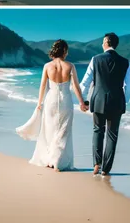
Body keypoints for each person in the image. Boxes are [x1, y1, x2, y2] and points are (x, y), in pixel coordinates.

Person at [16, 40, 88, 172]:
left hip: (51, 100)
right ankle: (57, 161)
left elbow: (43, 86)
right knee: (63, 131)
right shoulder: (70, 66)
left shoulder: (47, 66)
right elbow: (76, 86)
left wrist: (39, 103)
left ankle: (50, 160)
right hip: (65, 100)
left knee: (50, 130)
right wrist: (82, 102)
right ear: (65, 51)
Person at [80, 32, 130, 176]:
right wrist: (124, 100)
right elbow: (129, 85)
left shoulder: (95, 59)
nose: (102, 43)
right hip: (117, 101)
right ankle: (106, 169)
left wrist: (83, 100)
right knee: (112, 135)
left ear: (107, 42)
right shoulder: (125, 62)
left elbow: (85, 82)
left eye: (103, 41)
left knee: (98, 130)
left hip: (98, 101)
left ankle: (96, 164)